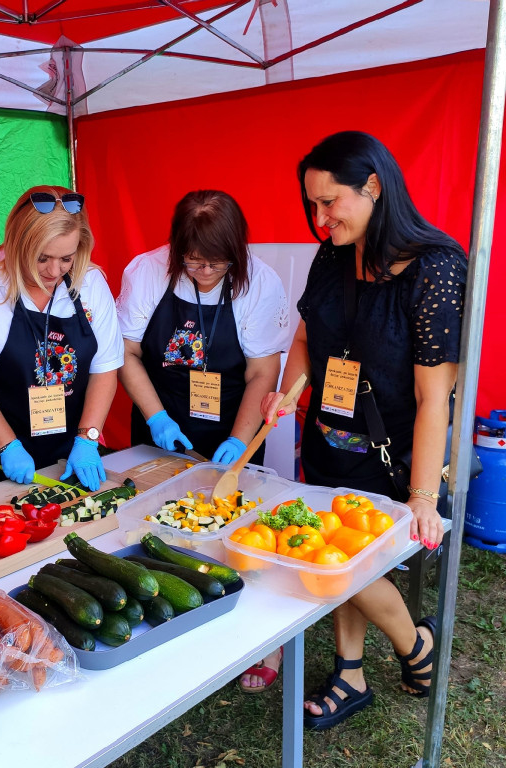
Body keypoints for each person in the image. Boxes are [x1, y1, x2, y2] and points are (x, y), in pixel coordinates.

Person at [261, 131, 466, 729]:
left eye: (330, 203)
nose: (320, 219)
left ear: (373, 187)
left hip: (392, 453)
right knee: (331, 553)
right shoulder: (331, 256)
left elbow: (436, 399)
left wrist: (423, 497)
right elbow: (304, 340)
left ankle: (413, 644)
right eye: (313, 206)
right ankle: (350, 670)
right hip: (327, 441)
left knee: (345, 562)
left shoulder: (435, 269)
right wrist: (288, 392)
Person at [0, 185, 124, 494]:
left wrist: (87, 439)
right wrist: (8, 447)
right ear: (19, 243)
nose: (54, 271)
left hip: (66, 447)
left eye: (66, 259)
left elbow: (105, 370)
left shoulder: (92, 283)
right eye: (42, 258)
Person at [116, 189, 288, 466]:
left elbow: (262, 372)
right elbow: (126, 351)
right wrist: (156, 417)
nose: (206, 271)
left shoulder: (261, 283)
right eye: (194, 261)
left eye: (218, 262)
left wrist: (240, 440)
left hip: (232, 426)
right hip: (160, 426)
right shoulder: (148, 270)